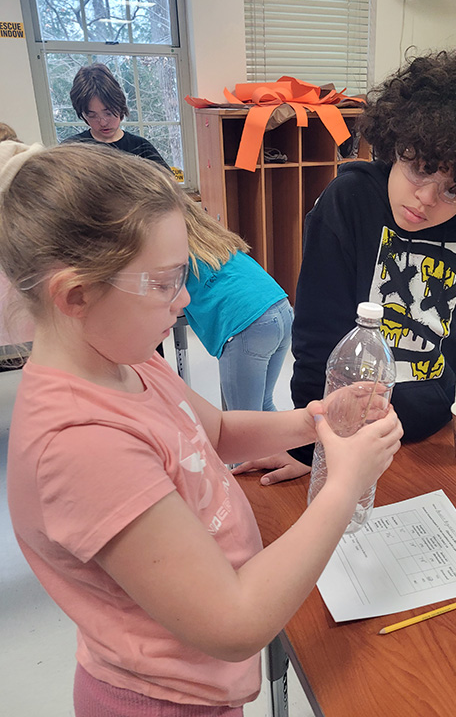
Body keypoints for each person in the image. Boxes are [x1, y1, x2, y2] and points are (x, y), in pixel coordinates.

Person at [0, 139, 402, 716]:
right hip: (162, 701)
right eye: (163, 283)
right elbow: (234, 621)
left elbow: (209, 430)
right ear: (76, 294)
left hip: (203, 683)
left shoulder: (127, 357)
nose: (185, 299)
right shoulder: (80, 443)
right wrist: (343, 485)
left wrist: (312, 422)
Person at [233, 48, 456, 486]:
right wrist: (313, 448)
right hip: (342, 436)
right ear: (398, 143)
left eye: (455, 189)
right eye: (421, 168)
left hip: (426, 433)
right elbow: (318, 341)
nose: (426, 198)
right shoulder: (348, 201)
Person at [184, 208, 293, 411]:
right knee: (263, 404)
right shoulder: (213, 238)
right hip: (281, 309)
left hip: (248, 323)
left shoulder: (173, 246)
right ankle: (279, 443)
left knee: (243, 420)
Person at [64, 62, 171, 170]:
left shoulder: (140, 147)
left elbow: (169, 182)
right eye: (92, 115)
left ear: (120, 106)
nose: (103, 122)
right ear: (82, 114)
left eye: (108, 113)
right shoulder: (72, 149)